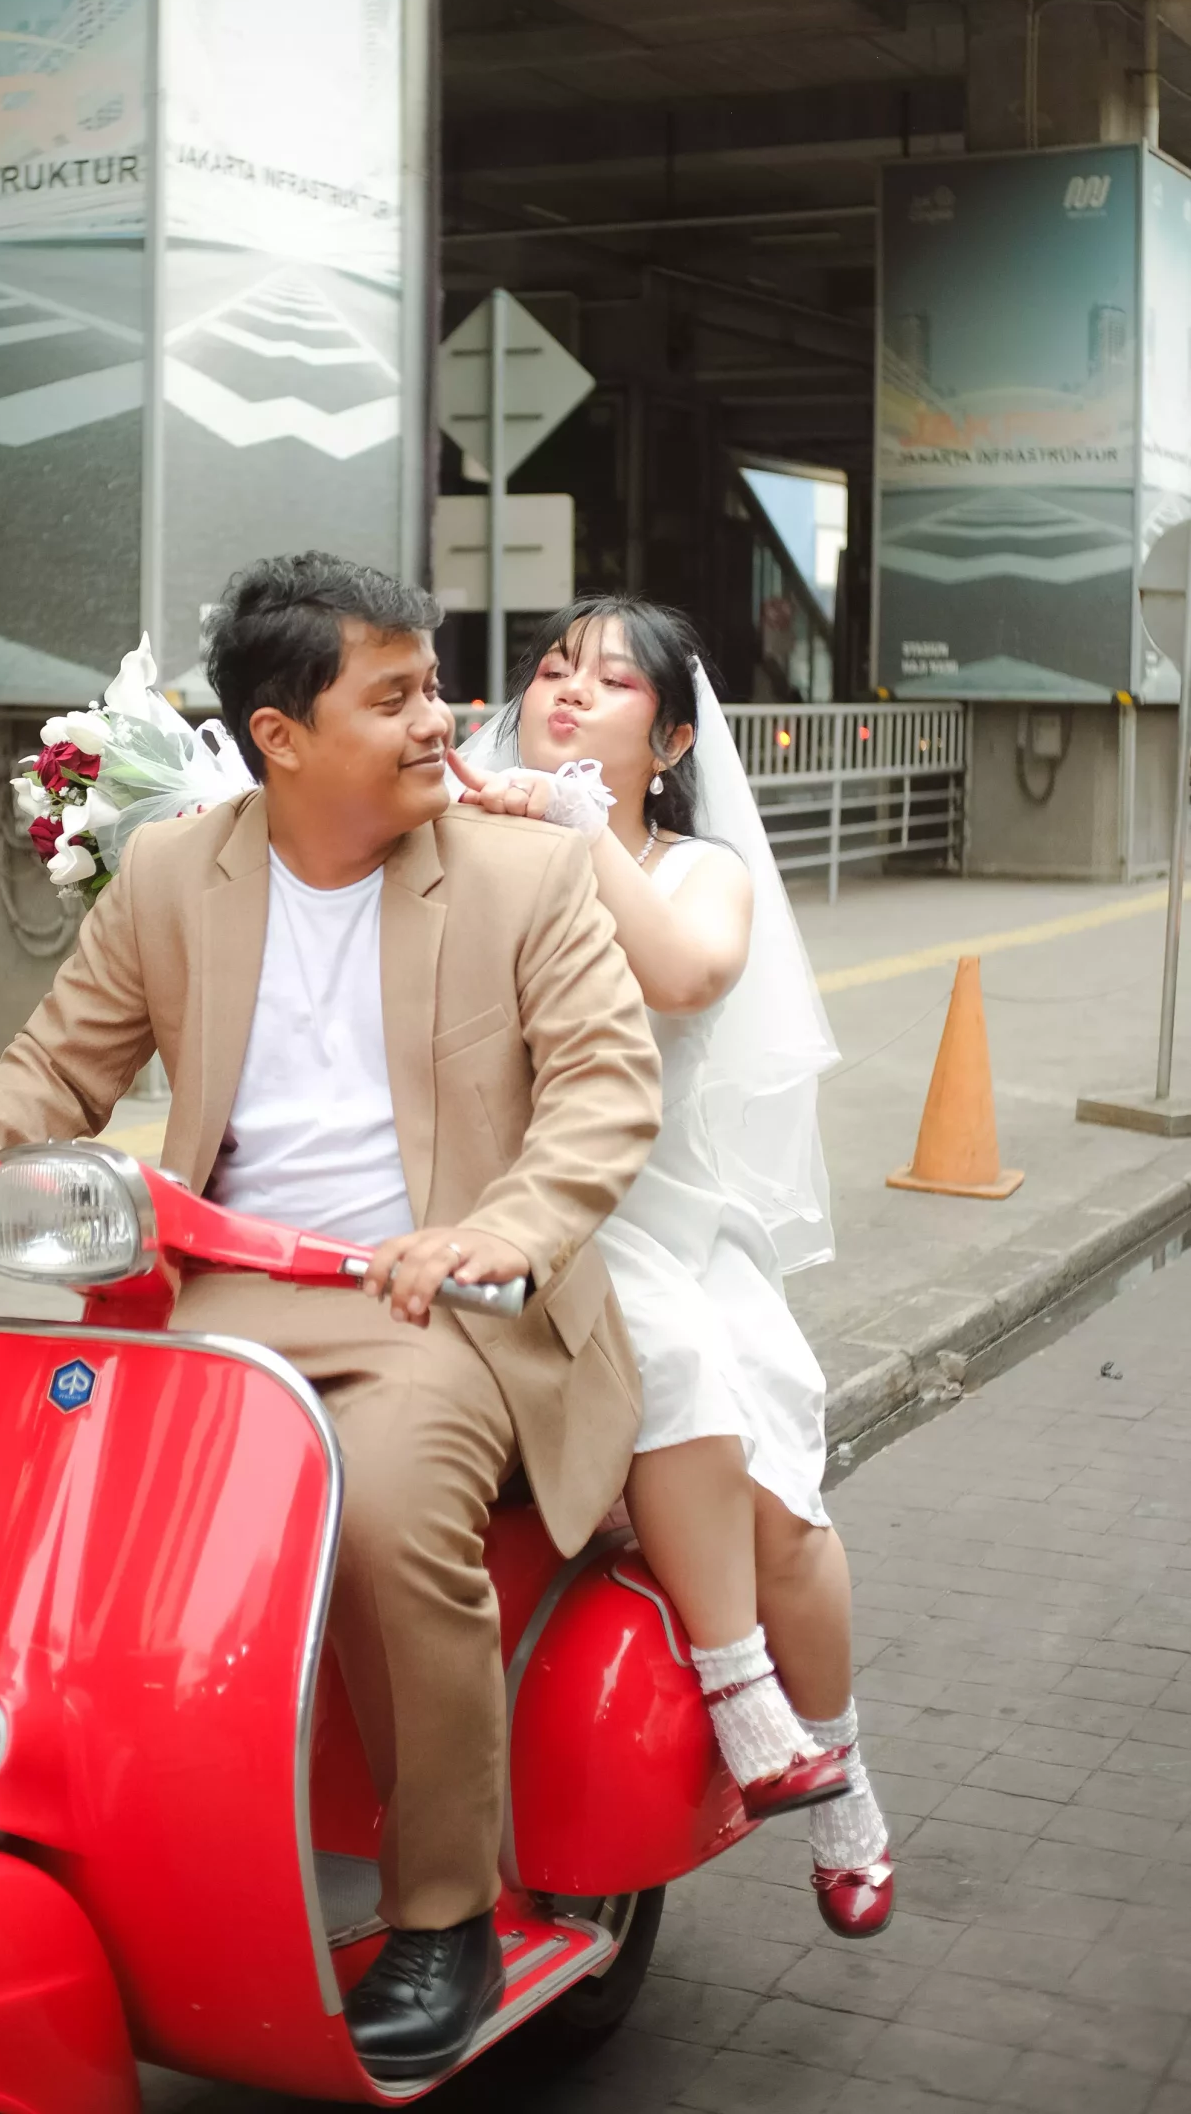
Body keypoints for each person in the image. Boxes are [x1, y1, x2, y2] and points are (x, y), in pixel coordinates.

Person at [0, 552, 665, 2083]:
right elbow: (56, 1064)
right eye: (395, 696)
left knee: (383, 1517)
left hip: (442, 1311)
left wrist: (503, 1227)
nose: (440, 722)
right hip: (222, 1300)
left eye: (434, 687)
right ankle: (90, 1821)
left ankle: (441, 1913)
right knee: (39, 1507)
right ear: (279, 737)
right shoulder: (175, 874)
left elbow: (603, 1091)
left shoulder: (523, 875)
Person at [451, 595, 893, 1939]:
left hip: (671, 1220)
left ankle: (841, 1779)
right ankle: (741, 1704)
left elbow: (689, 976)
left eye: (611, 681)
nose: (568, 692)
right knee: (676, 1377)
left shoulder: (704, 872)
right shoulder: (461, 840)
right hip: (517, 1216)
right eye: (550, 669)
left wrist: (576, 830)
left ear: (675, 739)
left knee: (781, 1515)